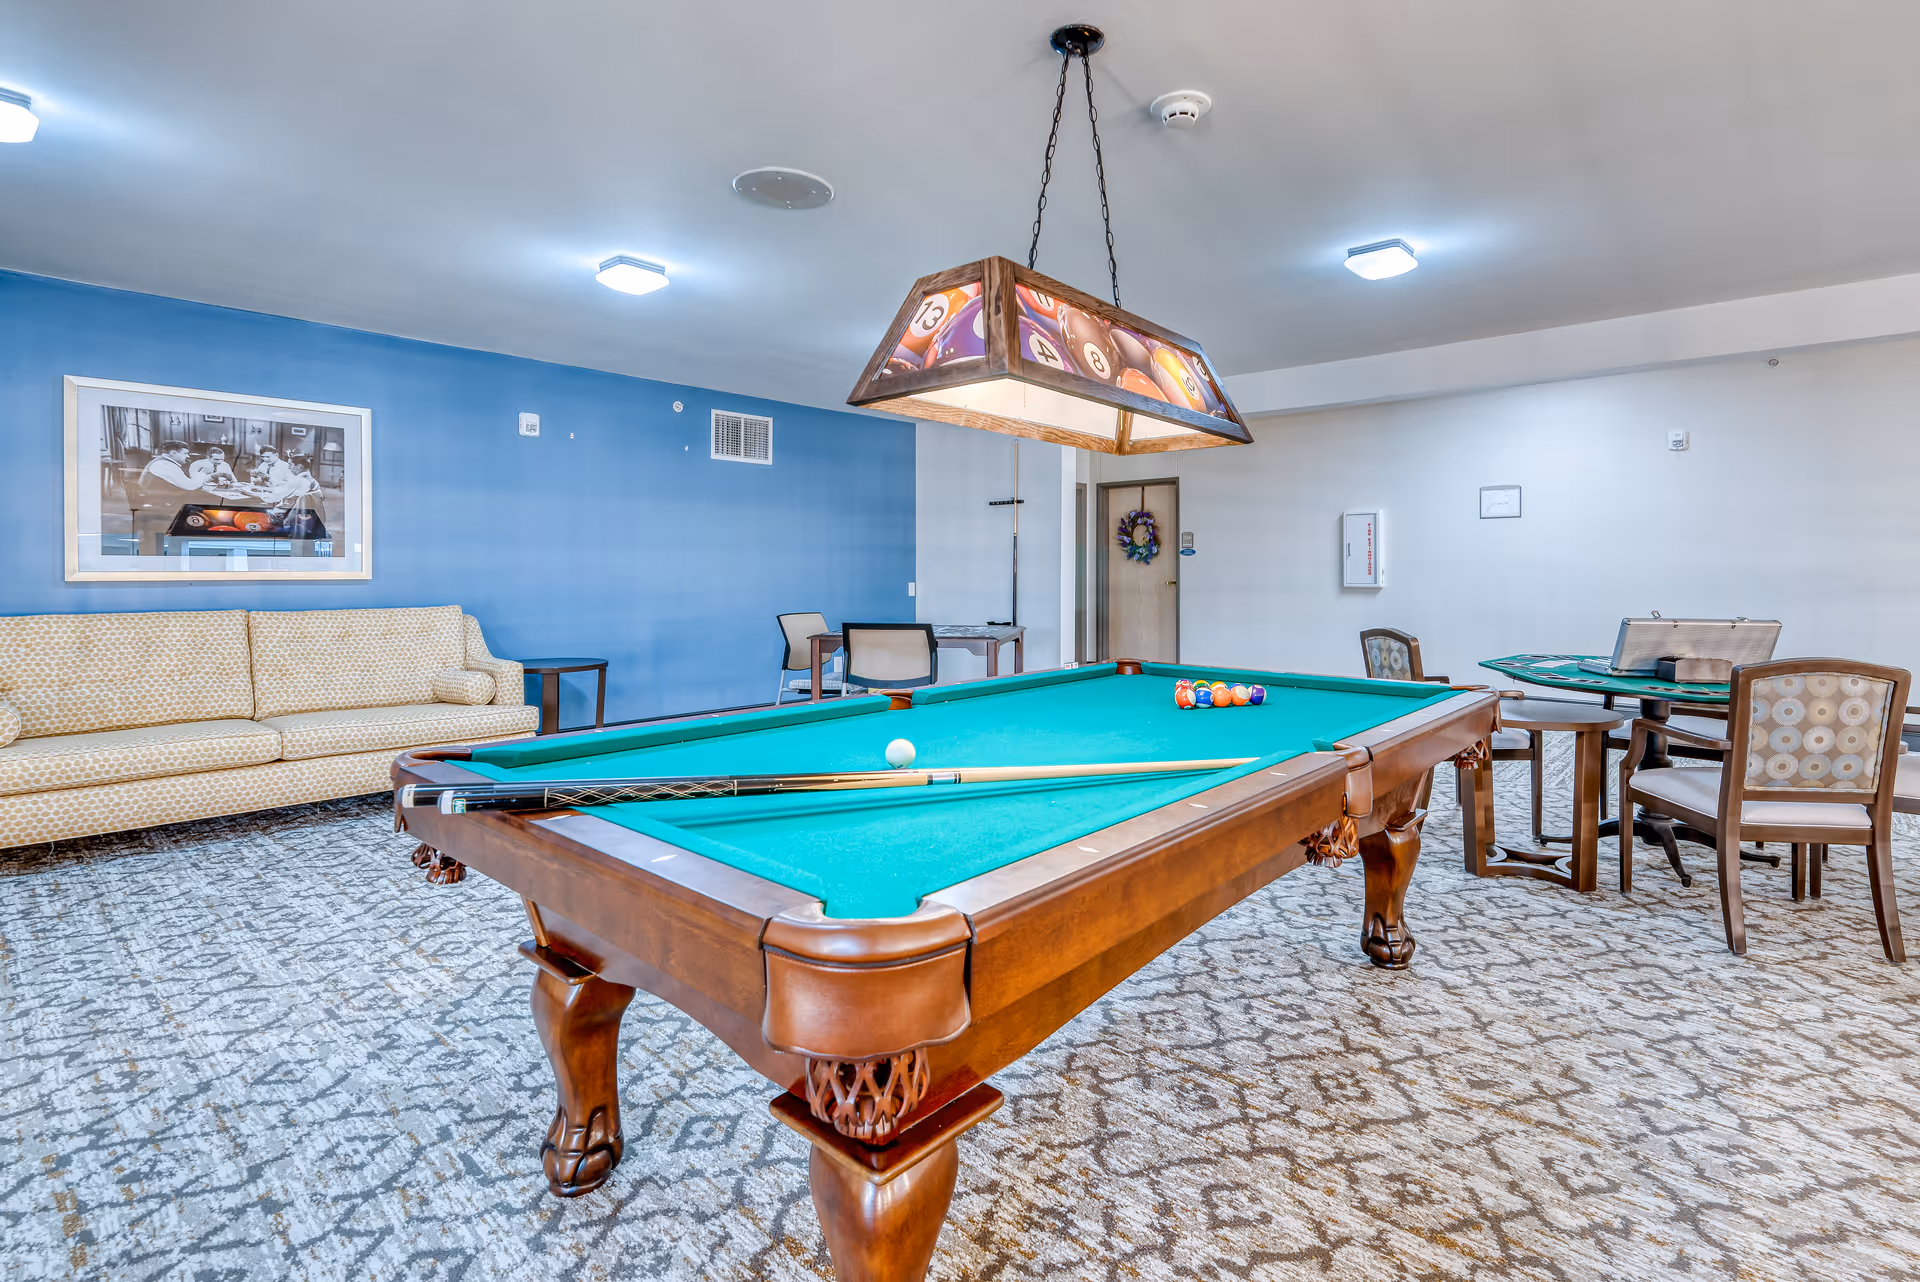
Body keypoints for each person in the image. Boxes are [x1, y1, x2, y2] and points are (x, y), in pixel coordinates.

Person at [133, 441, 208, 553]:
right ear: (173, 453)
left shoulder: (164, 463)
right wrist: (202, 474)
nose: (188, 456)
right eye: (185, 453)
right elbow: (189, 485)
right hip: (158, 510)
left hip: (158, 506)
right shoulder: (163, 465)